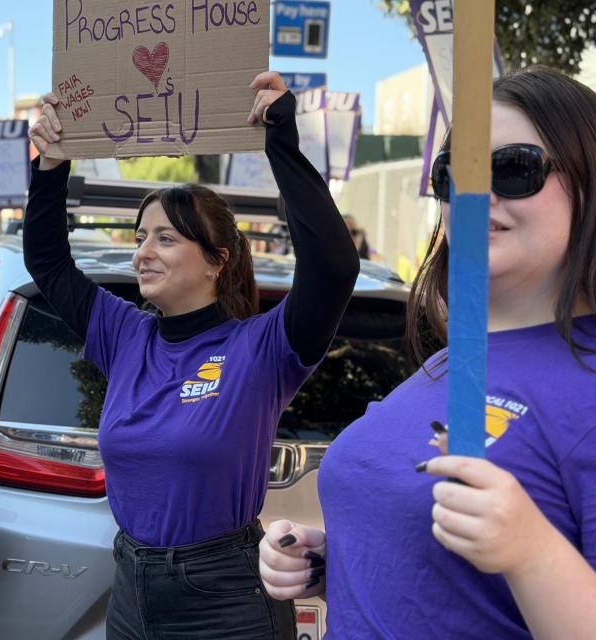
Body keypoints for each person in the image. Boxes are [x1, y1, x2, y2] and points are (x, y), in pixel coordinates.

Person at [258, 66, 596, 639]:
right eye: (453, 173)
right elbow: (444, 587)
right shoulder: (448, 361)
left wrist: (532, 551)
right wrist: (330, 561)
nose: (474, 194)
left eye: (514, 168)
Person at [25, 71, 359, 639]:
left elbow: (333, 266)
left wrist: (280, 138)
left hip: (225, 599)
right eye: (140, 237)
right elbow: (49, 263)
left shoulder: (261, 348)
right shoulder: (124, 334)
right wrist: (53, 164)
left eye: (166, 238)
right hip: (132, 590)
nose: (143, 253)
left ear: (215, 261)